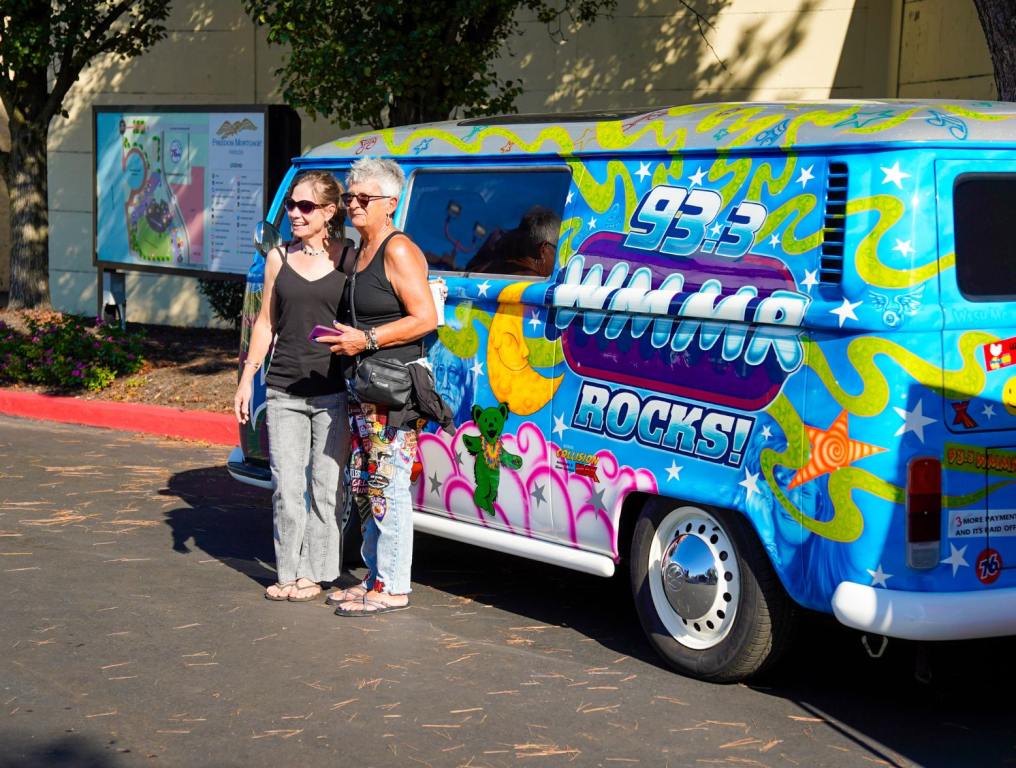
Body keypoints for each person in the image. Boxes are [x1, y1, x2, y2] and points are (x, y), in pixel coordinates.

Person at [319, 157, 438, 616]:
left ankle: (393, 585)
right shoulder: (361, 248)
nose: (353, 204)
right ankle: (375, 576)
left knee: (388, 486)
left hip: (393, 390)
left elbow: (424, 317)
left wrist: (365, 338)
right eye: (349, 196)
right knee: (368, 485)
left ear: (391, 203)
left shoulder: (397, 249)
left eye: (363, 198)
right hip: (364, 387)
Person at [234, 170, 352, 602]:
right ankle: (287, 571)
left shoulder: (348, 258)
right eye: (290, 206)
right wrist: (248, 377)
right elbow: (265, 322)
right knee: (286, 487)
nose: (295, 214)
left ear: (328, 212)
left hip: (333, 392)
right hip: (284, 388)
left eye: (305, 207)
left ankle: (315, 573)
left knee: (325, 486)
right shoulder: (278, 259)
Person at [465, 206, 560, 277]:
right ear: (543, 249)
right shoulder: (538, 289)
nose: (560, 259)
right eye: (558, 249)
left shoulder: (482, 270)